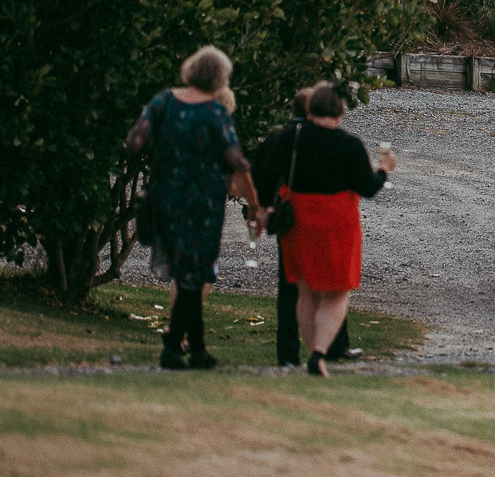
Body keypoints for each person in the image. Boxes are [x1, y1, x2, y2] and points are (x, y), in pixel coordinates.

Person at [124, 46, 265, 370]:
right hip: (202, 204)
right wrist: (253, 204)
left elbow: (134, 142)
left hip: (165, 197)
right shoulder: (216, 114)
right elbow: (237, 163)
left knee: (187, 272)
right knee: (194, 273)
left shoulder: (162, 101)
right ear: (220, 80)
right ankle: (173, 347)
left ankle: (198, 349)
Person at [282, 81, 395, 376]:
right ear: (340, 109)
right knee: (337, 292)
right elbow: (367, 188)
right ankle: (319, 353)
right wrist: (383, 170)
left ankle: (310, 352)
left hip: (300, 218)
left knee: (306, 290)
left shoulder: (292, 139)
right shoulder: (349, 145)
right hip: (337, 222)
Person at [250, 88, 357, 367]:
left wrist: (263, 207)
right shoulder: (341, 142)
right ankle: (329, 347)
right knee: (333, 285)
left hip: (293, 215)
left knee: (297, 287)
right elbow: (364, 183)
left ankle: (292, 353)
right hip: (330, 218)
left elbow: (261, 170)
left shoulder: (286, 137)